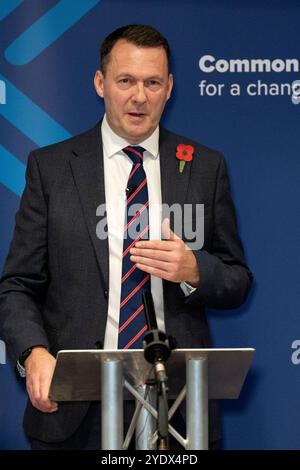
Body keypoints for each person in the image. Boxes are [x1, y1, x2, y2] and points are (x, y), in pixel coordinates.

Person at [0, 24, 252, 450]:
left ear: (169, 87)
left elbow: (237, 280)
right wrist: (33, 354)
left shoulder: (205, 167)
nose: (139, 96)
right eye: (125, 81)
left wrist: (194, 269)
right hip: (75, 410)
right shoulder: (52, 168)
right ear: (100, 83)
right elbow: (17, 286)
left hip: (176, 408)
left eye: (153, 82)